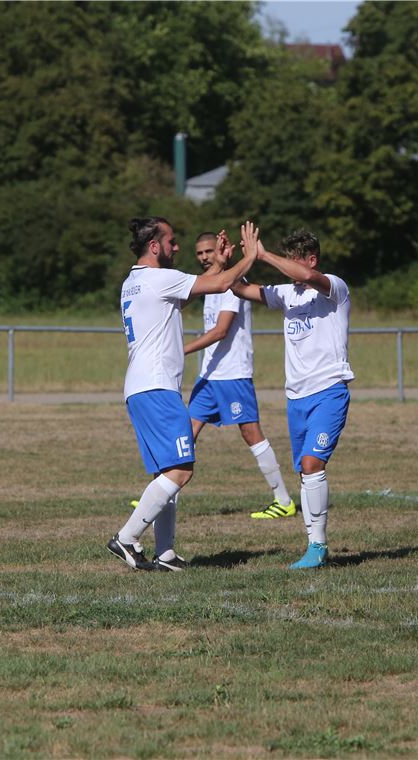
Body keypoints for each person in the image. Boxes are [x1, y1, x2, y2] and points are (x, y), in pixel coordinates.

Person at [110, 217, 258, 572]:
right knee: (180, 470)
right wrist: (250, 255)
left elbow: (195, 291)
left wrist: (221, 262)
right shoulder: (160, 278)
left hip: (142, 387)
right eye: (172, 242)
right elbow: (221, 284)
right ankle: (126, 538)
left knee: (168, 470)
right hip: (156, 387)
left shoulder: (134, 281)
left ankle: (165, 554)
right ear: (156, 246)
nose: (178, 248)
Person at [230, 226, 354, 569]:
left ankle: (318, 547)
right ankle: (314, 545)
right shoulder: (287, 293)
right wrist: (237, 262)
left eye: (292, 260)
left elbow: (308, 275)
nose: (288, 268)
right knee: (305, 471)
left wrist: (265, 255)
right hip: (295, 397)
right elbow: (240, 289)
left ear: (310, 259)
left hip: (329, 390)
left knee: (314, 464)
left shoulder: (334, 288)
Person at [183, 230, 295, 519]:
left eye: (210, 251)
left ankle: (283, 500)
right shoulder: (211, 285)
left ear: (223, 250)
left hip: (233, 375)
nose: (205, 257)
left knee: (251, 434)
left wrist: (180, 350)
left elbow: (220, 331)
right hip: (209, 376)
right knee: (184, 433)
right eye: (200, 253)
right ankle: (160, 495)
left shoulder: (233, 286)